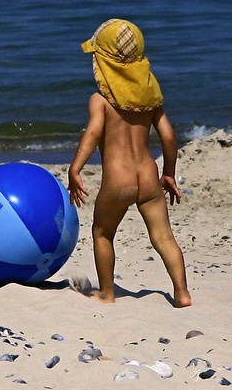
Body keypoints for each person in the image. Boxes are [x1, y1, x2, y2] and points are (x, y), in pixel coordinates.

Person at [67, 19, 192, 307]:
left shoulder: (100, 101)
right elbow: (170, 138)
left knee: (102, 233)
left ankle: (107, 294)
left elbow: (93, 133)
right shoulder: (151, 100)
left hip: (118, 180)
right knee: (163, 237)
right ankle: (182, 293)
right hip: (148, 176)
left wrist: (75, 169)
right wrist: (169, 174)